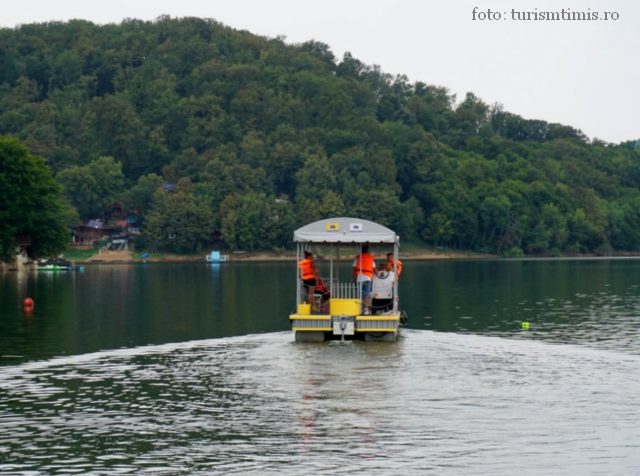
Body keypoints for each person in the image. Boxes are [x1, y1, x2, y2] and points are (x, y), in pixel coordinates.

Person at [351, 245, 377, 315]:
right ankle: (366, 309)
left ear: (361, 250)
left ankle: (357, 308)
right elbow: (374, 268)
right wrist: (378, 274)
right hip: (368, 277)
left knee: (358, 293)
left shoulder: (358, 258)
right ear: (368, 251)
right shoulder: (371, 258)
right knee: (367, 294)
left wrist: (353, 277)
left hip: (359, 277)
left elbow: (354, 268)